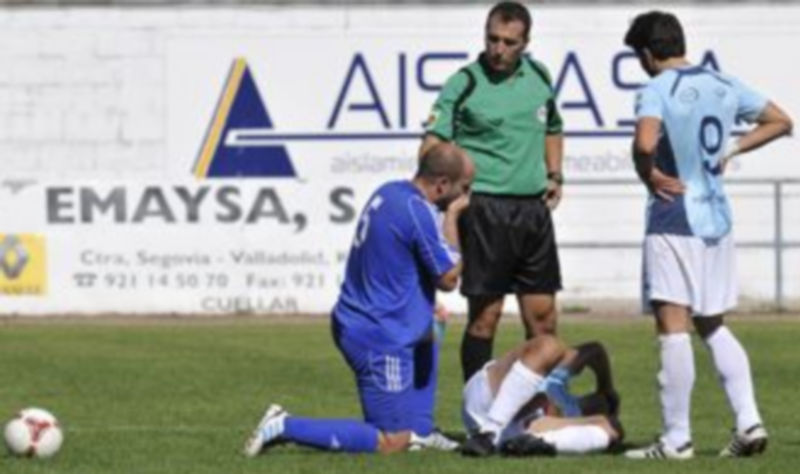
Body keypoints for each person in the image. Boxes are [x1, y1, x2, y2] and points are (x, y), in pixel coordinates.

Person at [621, 11, 793, 460]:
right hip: (717, 218)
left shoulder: (656, 88)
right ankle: (750, 421)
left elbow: (644, 143)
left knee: (673, 327)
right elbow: (781, 120)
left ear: (646, 54)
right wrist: (732, 149)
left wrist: (649, 173)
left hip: (675, 217)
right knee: (712, 323)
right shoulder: (723, 83)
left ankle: (676, 439)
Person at [242, 142, 474, 456]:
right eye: (464, 188)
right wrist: (454, 216)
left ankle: (422, 431)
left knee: (431, 325)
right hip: (380, 336)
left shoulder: (390, 191)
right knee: (392, 442)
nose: (466, 196)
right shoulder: (416, 210)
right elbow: (448, 279)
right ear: (443, 184)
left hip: (362, 318)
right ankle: (283, 425)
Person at [419, 1, 565, 384]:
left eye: (509, 42)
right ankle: (477, 413)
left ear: (525, 42)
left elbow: (553, 127)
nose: (499, 49)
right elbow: (432, 144)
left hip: (533, 213)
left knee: (545, 318)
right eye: (493, 39)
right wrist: (441, 199)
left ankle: (539, 410)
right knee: (486, 317)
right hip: (485, 210)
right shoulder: (464, 82)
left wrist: (555, 175)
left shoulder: (539, 75)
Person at [460, 337, 623, 457]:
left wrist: (607, 417)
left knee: (613, 430)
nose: (601, 403)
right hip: (491, 395)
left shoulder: (573, 415)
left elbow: (608, 424)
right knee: (550, 346)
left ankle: (537, 444)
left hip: (519, 432)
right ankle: (490, 432)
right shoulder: (557, 379)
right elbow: (596, 350)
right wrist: (607, 388)